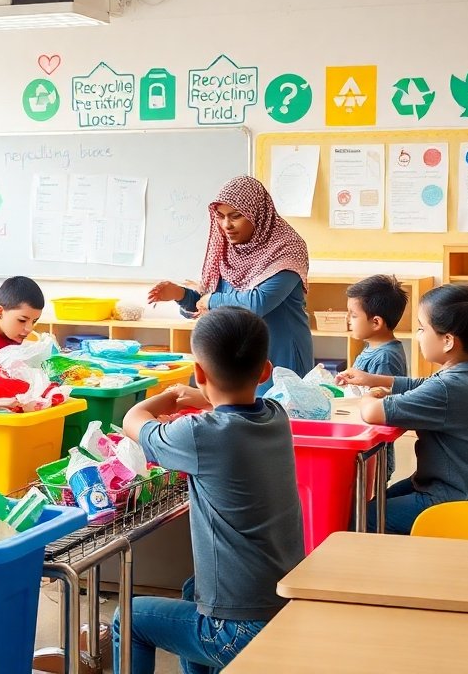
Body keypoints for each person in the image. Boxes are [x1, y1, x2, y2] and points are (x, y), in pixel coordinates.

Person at [114, 306, 305, 674]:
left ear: (199, 372)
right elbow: (237, 403)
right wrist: (203, 395)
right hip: (281, 607)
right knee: (192, 589)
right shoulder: (277, 416)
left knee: (130, 617)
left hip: (239, 629)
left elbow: (132, 420)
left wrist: (170, 396)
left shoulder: (201, 434)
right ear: (264, 370)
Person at [338, 284, 468, 535]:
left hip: (463, 499)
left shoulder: (450, 386)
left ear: (447, 341)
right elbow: (424, 385)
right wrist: (377, 381)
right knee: (374, 503)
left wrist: (369, 395)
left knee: (362, 517)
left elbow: (371, 413)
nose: (418, 335)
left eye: (422, 328)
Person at [148, 176, 312, 394]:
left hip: (280, 357)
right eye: (221, 216)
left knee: (279, 418)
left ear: (258, 214)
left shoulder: (286, 248)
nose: (226, 225)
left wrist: (210, 300)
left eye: (236, 216)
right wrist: (180, 295)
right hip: (239, 356)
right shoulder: (226, 251)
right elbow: (211, 301)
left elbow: (257, 303)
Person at [345, 274, 410, 478]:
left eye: (353, 315)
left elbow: (381, 404)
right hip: (364, 444)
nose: (348, 320)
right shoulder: (373, 347)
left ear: (376, 322)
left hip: (373, 453)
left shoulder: (386, 357)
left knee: (368, 504)